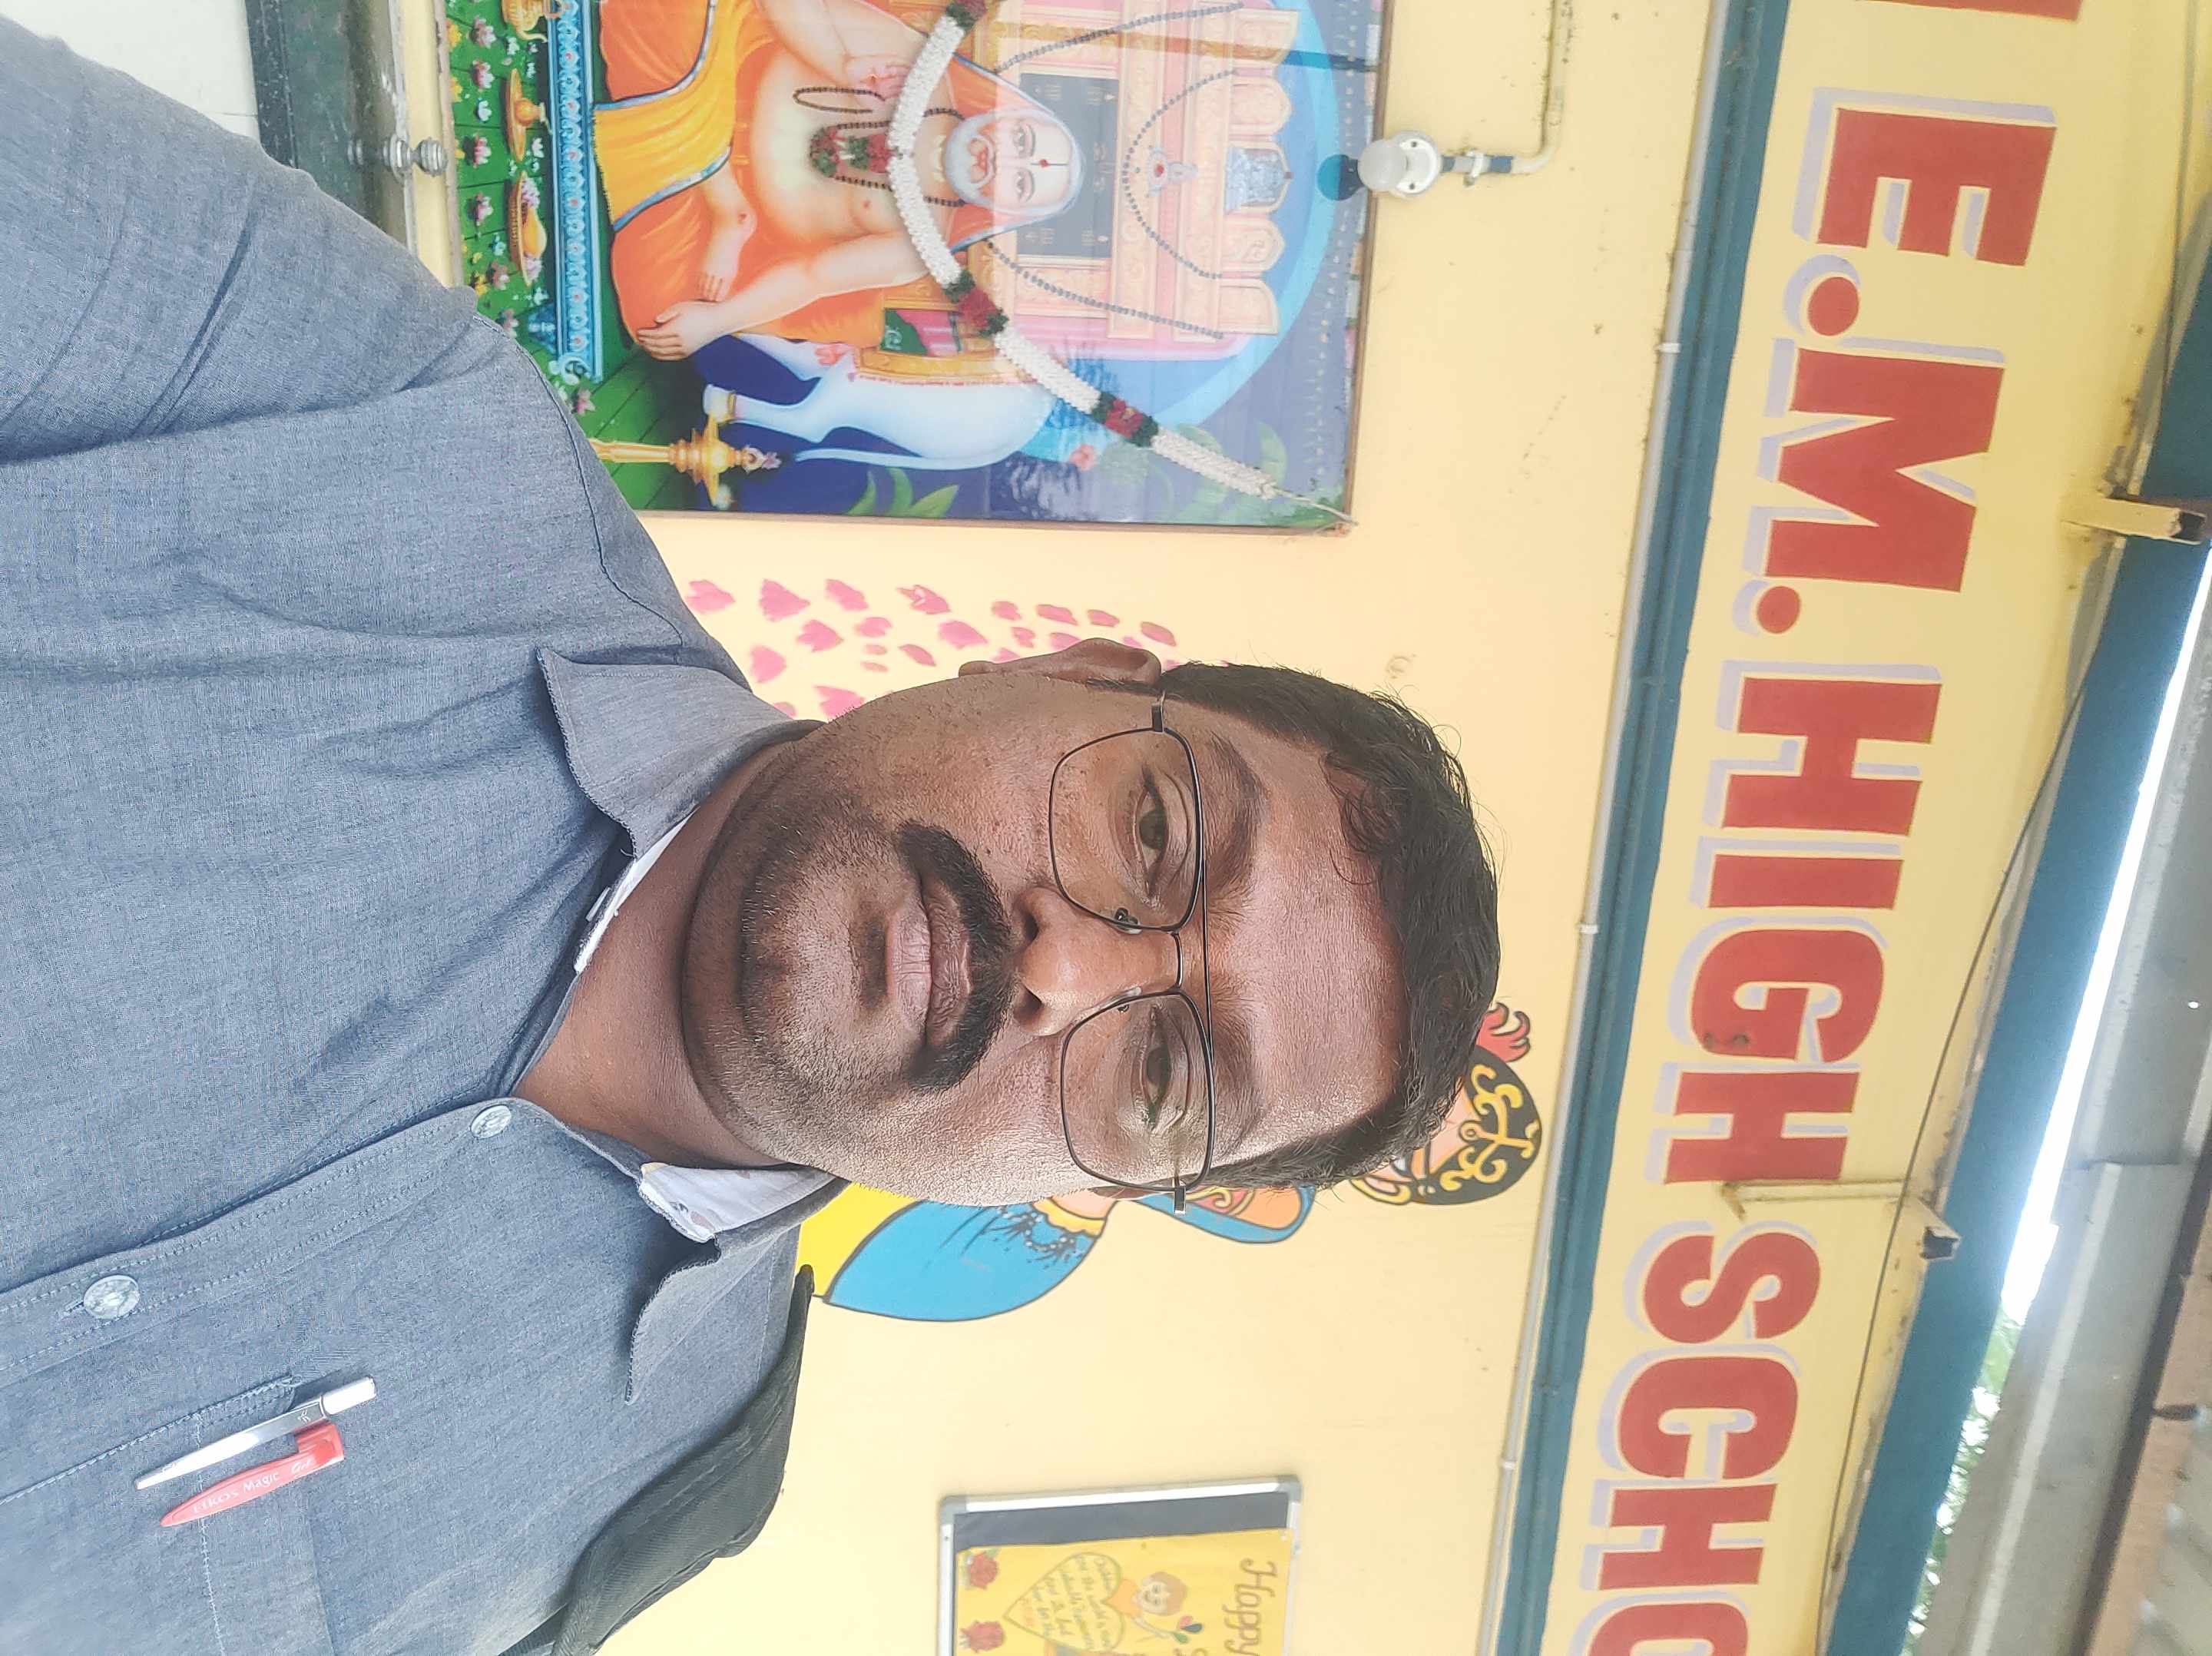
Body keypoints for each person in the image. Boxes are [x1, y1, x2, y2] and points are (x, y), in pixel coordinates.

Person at [0, 22, 1499, 1656]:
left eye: (1167, 1072)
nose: (1070, 966)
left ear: (1106, 1184)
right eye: (1152, 829)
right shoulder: (389, 435)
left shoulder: (639, 1494)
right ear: (1072, 667)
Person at [594, 0, 1084, 360]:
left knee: (656, 311)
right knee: (672, 12)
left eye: (1021, 183)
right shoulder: (919, 69)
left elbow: (812, 276)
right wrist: (841, 65)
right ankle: (712, 183)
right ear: (1008, 114)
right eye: (1022, 140)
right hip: (720, 73)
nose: (1003, 160)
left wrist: (717, 321)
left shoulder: (918, 244)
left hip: (702, 209)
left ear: (1003, 210)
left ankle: (715, 188)